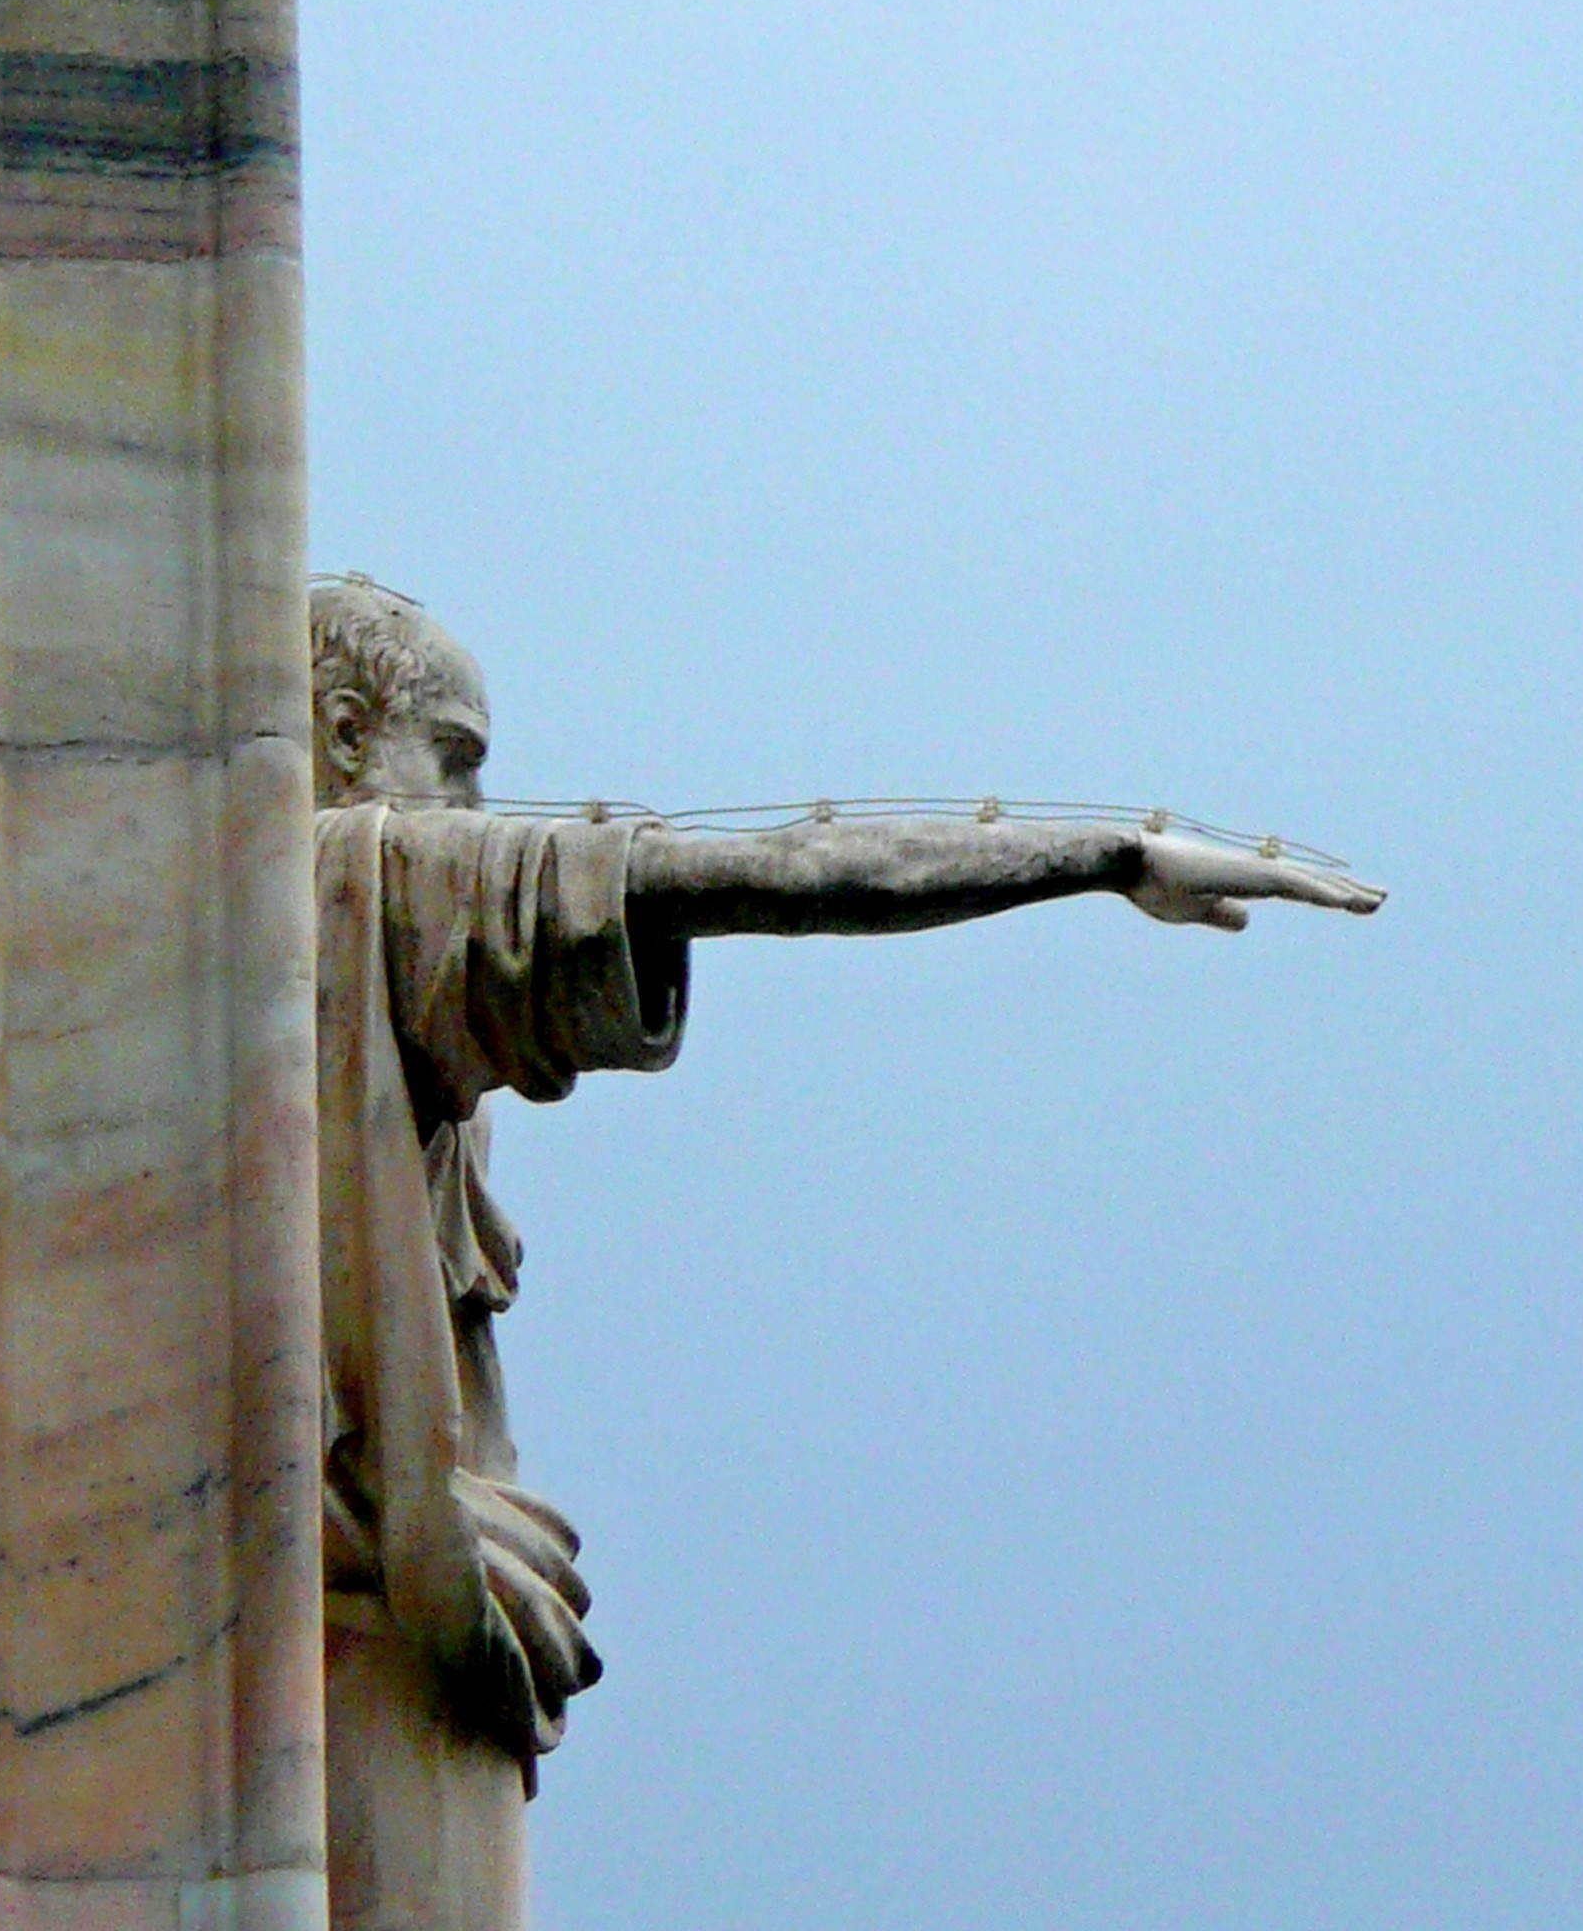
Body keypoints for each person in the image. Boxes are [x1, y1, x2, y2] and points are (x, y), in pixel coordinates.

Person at [309, 573, 1382, 1778]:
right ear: (347, 734)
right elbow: (778, 877)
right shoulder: (371, 869)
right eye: (453, 760)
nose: (475, 806)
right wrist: (1110, 857)